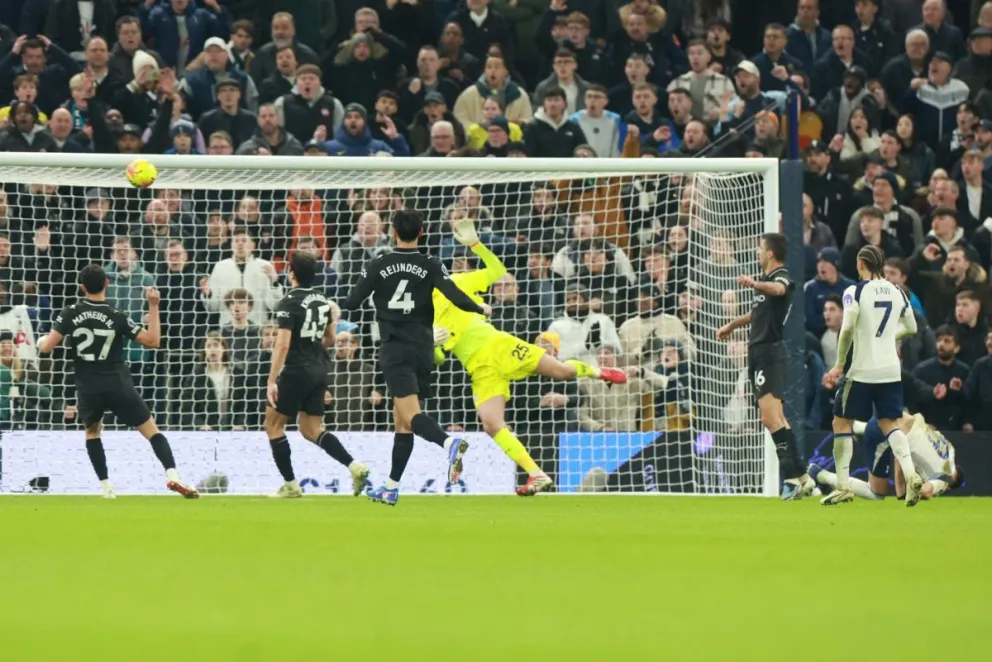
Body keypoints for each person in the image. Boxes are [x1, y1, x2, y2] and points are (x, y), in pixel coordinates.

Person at [432, 218, 627, 496]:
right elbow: (438, 359)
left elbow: (497, 270)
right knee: (491, 424)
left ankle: (598, 372)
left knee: (564, 373)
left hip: (497, 346)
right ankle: (536, 474)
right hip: (480, 369)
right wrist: (432, 345)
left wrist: (476, 245)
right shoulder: (422, 317)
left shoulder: (456, 283)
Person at [341, 210, 492, 506]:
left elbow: (351, 301)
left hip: (395, 348)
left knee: (409, 415)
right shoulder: (432, 263)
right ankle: (391, 486)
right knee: (403, 422)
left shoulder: (379, 262)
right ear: (421, 233)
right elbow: (454, 294)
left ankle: (449, 443)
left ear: (393, 232)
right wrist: (479, 308)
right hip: (424, 349)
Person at [35, 264, 198, 500]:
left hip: (88, 387)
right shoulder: (117, 314)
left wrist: (41, 342)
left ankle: (106, 488)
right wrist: (153, 306)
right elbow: (153, 341)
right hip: (118, 384)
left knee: (92, 432)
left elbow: (48, 347)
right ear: (107, 284)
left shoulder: (69, 312)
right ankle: (172, 474)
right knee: (152, 431)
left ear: (82, 287)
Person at [821, 245, 923, 507]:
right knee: (891, 423)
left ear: (861, 263)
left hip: (862, 370)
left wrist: (839, 364)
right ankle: (911, 475)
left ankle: (843, 486)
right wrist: (888, 337)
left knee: (841, 422)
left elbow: (846, 330)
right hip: (890, 370)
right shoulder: (897, 291)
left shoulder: (854, 291)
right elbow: (911, 326)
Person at [716, 233, 815, 500]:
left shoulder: (779, 277)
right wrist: (732, 325)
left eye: (760, 249)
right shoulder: (767, 285)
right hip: (761, 353)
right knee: (776, 419)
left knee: (770, 419)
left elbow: (781, 289)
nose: (758, 253)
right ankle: (802, 476)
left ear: (770, 253)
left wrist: (754, 283)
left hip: (769, 353)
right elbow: (756, 314)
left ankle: (792, 479)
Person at [265, 252, 370, 499]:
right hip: (320, 368)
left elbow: (282, 345)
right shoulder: (322, 301)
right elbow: (331, 339)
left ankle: (291, 485)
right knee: (311, 429)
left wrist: (272, 380)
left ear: (291, 273)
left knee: (272, 425)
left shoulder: (289, 301)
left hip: (297, 369)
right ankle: (355, 466)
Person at [810, 409, 964, 501]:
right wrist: (906, 492)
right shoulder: (944, 478)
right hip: (883, 434)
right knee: (876, 493)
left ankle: (856, 426)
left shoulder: (949, 449)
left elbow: (929, 430)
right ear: (950, 486)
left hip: (892, 414)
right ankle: (818, 474)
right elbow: (927, 490)